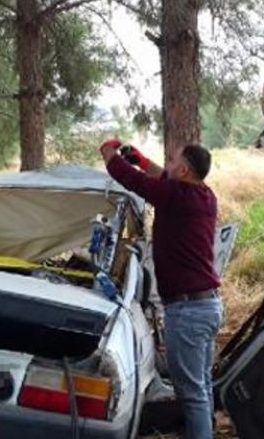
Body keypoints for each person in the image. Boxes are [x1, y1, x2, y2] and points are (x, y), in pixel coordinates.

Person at [99, 140, 222, 439]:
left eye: (172, 161)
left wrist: (110, 155)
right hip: (207, 307)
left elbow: (133, 181)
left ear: (184, 170)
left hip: (188, 312)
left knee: (191, 394)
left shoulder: (175, 196)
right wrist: (140, 159)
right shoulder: (203, 195)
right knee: (201, 387)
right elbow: (160, 177)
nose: (166, 166)